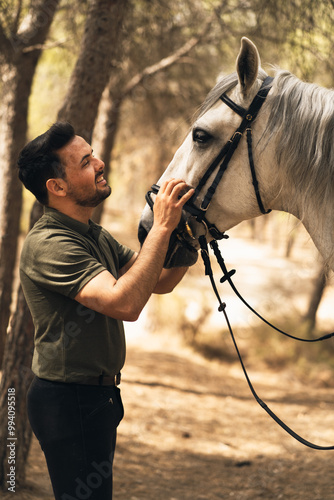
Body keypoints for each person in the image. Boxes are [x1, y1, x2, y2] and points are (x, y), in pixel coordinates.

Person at [18, 121, 194, 500]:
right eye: (85, 161)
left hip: (97, 397)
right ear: (57, 187)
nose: (99, 163)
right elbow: (125, 303)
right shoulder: (49, 243)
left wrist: (191, 238)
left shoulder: (93, 234)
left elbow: (159, 281)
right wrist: (162, 229)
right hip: (68, 401)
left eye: (93, 152)